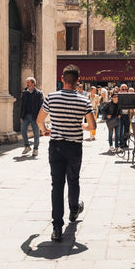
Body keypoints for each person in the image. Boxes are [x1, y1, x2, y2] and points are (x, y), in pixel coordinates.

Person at [36, 65, 96, 242]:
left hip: (56, 146)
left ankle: (56, 227)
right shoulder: (83, 100)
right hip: (74, 146)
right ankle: (73, 210)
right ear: (78, 81)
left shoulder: (51, 98)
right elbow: (92, 126)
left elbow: (40, 120)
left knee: (57, 185)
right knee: (73, 179)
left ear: (62, 79)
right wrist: (81, 125)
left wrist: (45, 130)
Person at [20, 77, 44, 156]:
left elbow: (41, 106)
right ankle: (27, 146)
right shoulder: (24, 92)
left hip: (35, 116)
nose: (27, 84)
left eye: (28, 83)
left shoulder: (39, 93)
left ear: (33, 83)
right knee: (23, 130)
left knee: (36, 133)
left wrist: (40, 117)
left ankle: (35, 149)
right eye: (27, 83)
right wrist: (21, 116)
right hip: (25, 115)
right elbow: (22, 105)